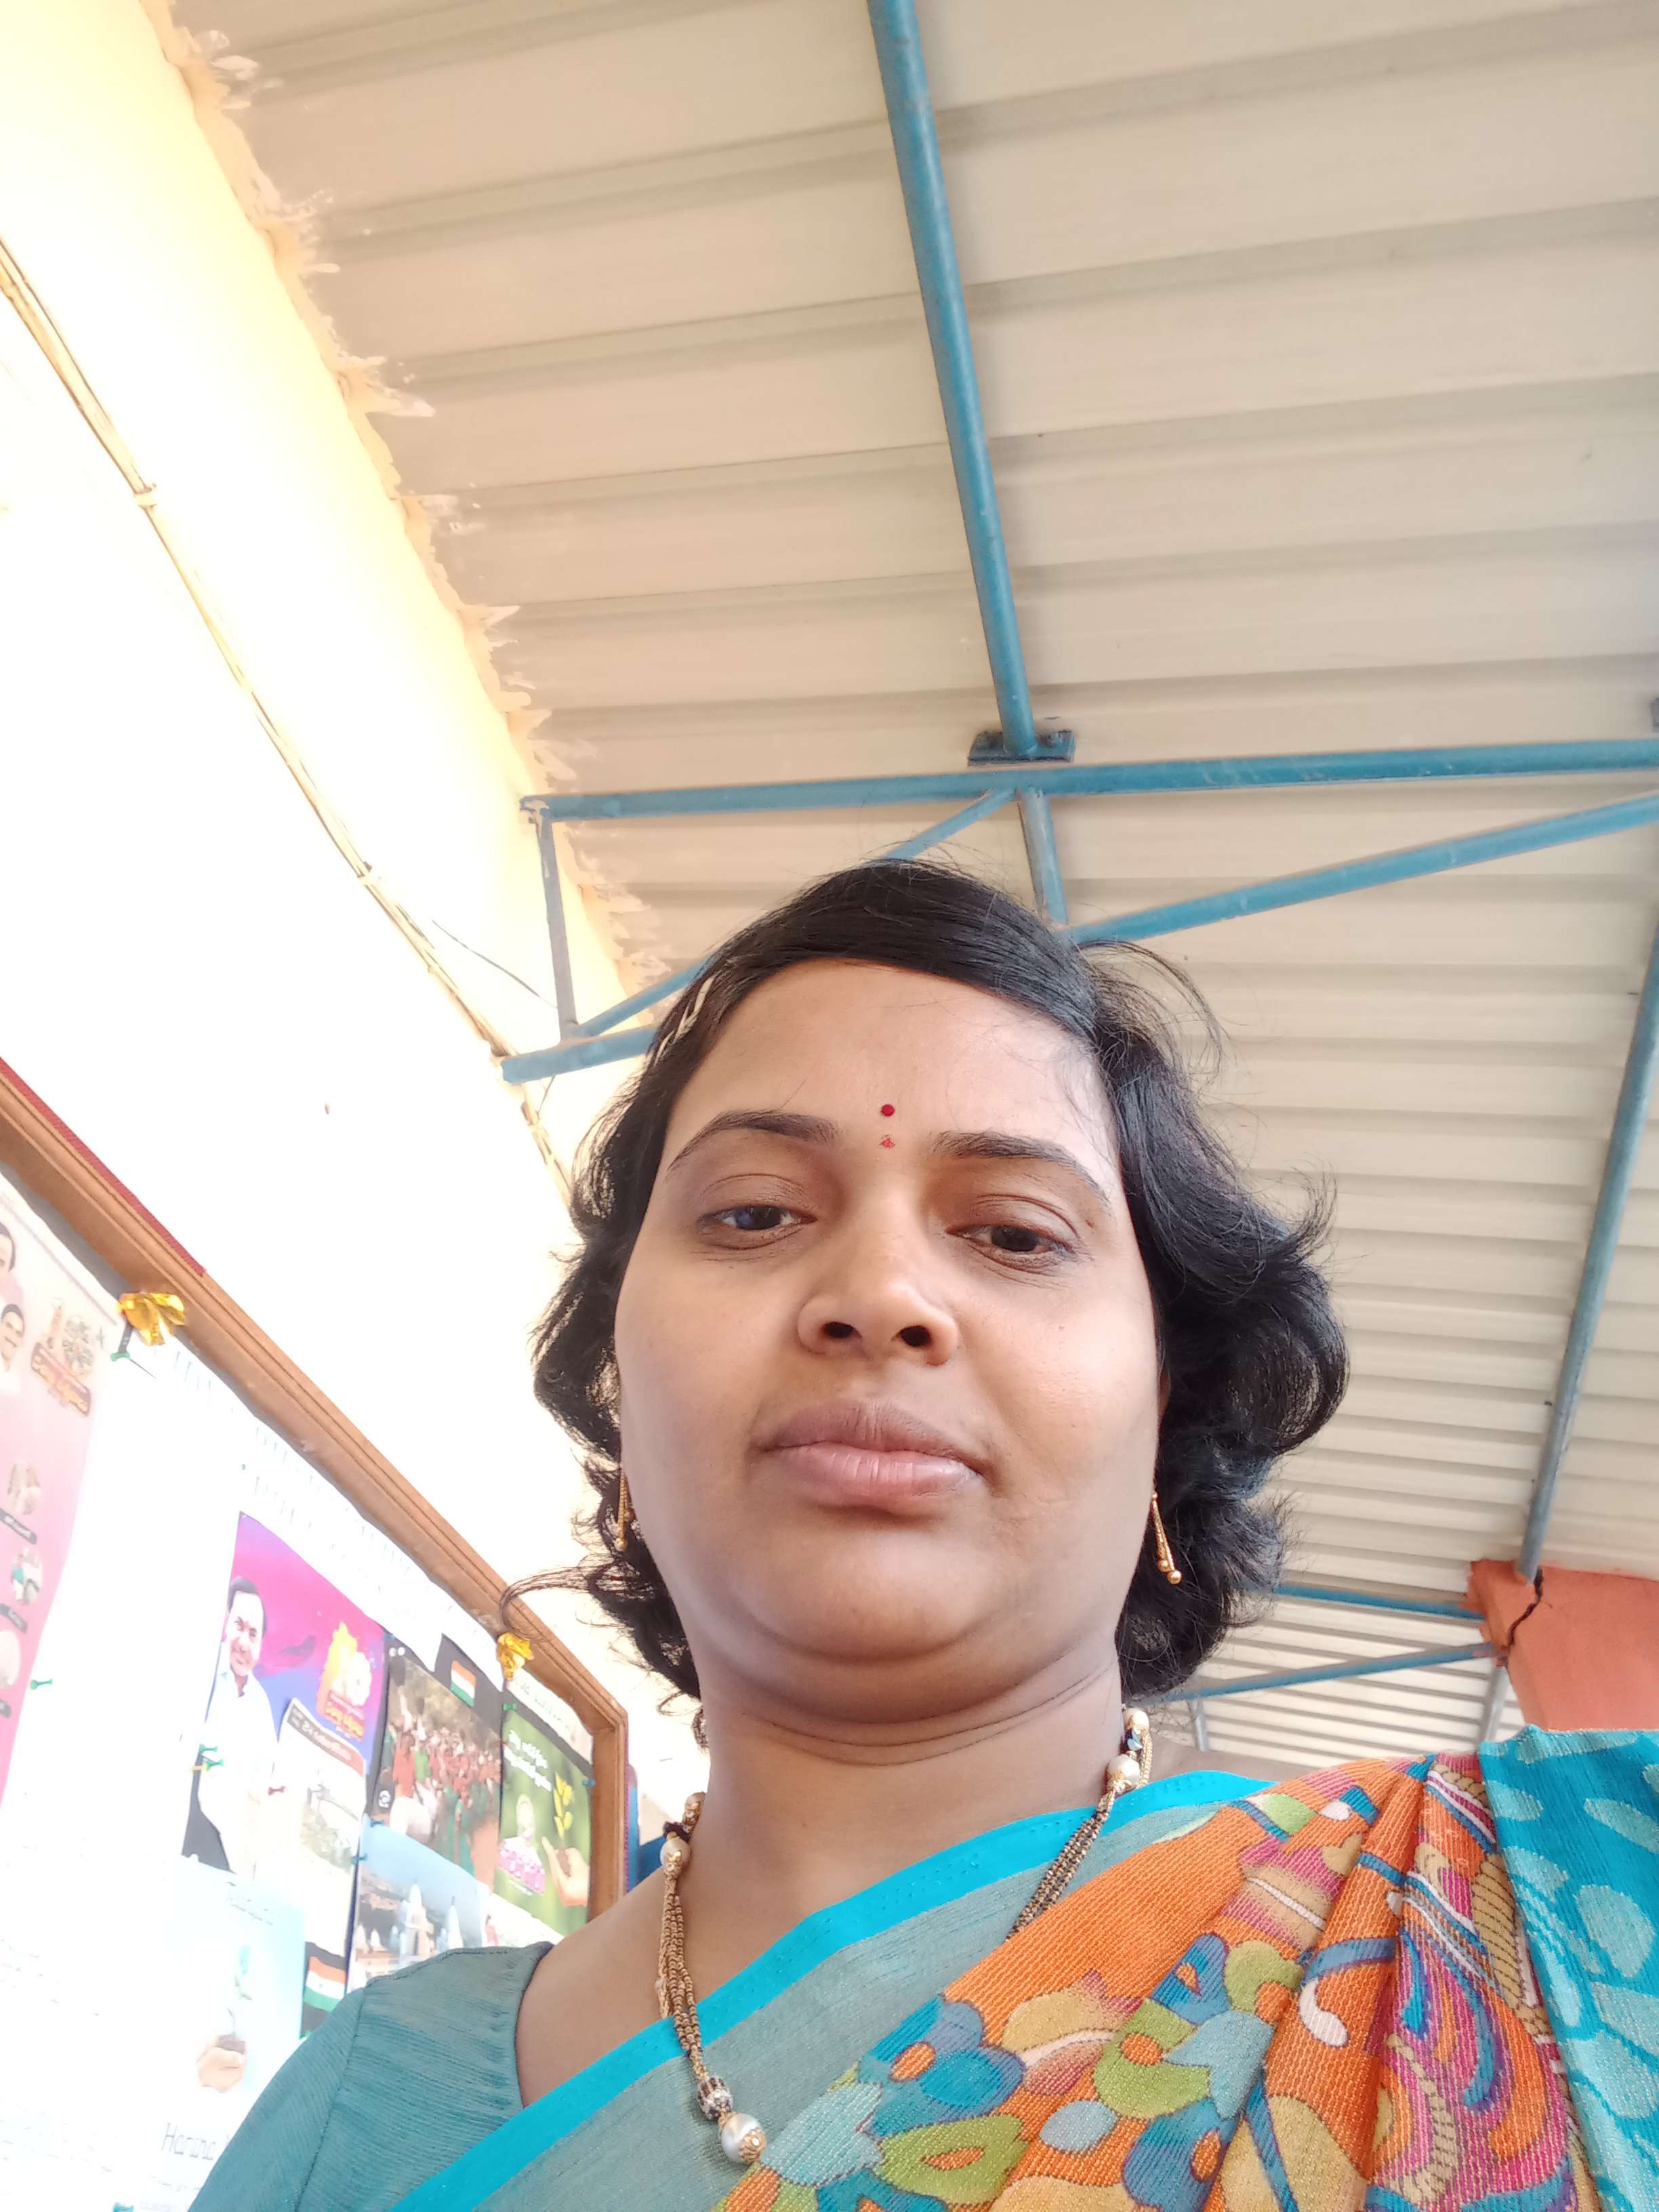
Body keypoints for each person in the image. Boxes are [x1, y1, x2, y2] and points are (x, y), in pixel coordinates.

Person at [198, 862, 1653, 2212]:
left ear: (1166, 1404)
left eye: (1015, 1233)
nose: (880, 1292)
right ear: (618, 1384)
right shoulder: (358, 2112)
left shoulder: (1511, 1940)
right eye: (754, 1212)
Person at [187, 1575, 280, 1877]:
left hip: (226, 1845)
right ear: (225, 1623)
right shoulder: (201, 1667)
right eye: (239, 1626)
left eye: (253, 1634)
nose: (243, 1643)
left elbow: (262, 1786)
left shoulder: (260, 1706)